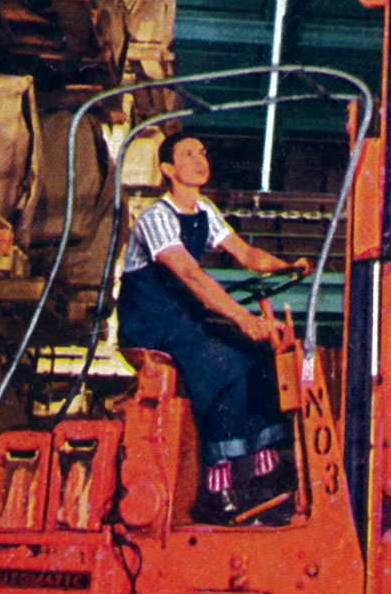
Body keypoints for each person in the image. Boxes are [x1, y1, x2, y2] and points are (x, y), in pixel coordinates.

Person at [117, 131, 310, 523]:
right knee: (222, 364)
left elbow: (247, 254)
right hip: (150, 324)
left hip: (183, 321)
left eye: (203, 152)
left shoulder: (204, 211)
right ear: (168, 169)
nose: (200, 159)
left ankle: (263, 473)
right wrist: (242, 317)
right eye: (188, 154)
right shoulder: (155, 218)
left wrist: (287, 266)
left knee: (258, 356)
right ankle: (217, 487)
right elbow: (189, 274)